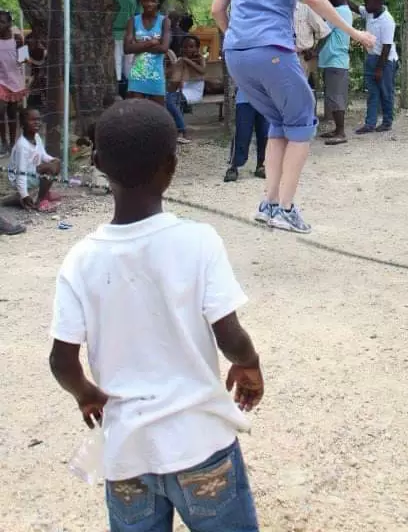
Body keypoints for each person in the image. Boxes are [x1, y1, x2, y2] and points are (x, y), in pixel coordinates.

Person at [49, 100, 263, 532]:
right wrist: (249, 363)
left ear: (97, 163)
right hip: (201, 444)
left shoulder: (80, 260)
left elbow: (61, 361)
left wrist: (85, 393)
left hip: (128, 454)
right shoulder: (199, 241)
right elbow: (229, 334)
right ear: (171, 166)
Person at [211, 0, 375, 234]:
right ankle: (284, 207)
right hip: (272, 50)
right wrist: (354, 32)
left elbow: (217, 10)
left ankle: (269, 203)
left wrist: (237, 38)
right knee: (302, 122)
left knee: (280, 124)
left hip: (237, 55)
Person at [350, 0, 398, 134]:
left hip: (386, 60)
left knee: (386, 92)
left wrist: (379, 69)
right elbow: (355, 8)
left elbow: (387, 47)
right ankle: (370, 123)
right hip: (372, 57)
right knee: (372, 92)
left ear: (377, 4)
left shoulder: (387, 20)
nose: (364, 6)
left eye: (367, 3)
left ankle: (387, 122)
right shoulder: (370, 12)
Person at [318, 0, 353, 145]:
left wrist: (314, 52)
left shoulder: (337, 11)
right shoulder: (344, 11)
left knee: (336, 97)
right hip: (335, 60)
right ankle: (337, 130)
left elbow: (324, 33)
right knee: (334, 96)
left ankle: (341, 132)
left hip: (335, 60)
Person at [124, 0, 171, 105]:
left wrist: (139, 45)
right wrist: (151, 42)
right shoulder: (133, 21)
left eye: (153, 1)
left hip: (156, 75)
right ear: (141, 1)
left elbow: (164, 48)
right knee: (136, 111)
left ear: (158, 2)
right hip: (137, 76)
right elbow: (127, 48)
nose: (149, 4)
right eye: (145, 0)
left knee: (159, 112)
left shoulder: (164, 21)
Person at [7, 107, 60, 213]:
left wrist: (54, 160)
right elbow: (20, 174)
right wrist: (24, 195)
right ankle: (39, 201)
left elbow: (43, 155)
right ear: (23, 123)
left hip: (31, 172)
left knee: (55, 164)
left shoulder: (36, 137)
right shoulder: (22, 146)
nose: (37, 123)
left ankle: (43, 193)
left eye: (38, 120)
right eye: (33, 120)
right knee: (48, 169)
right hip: (20, 178)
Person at [224, 88, 269, 182]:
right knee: (242, 133)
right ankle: (233, 166)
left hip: (266, 100)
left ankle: (262, 165)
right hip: (244, 99)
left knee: (265, 134)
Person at [0, 10, 26, 152]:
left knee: (12, 113)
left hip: (14, 80)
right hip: (1, 80)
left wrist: (21, 46)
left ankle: (12, 142)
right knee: (0, 109)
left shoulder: (16, 39)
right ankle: (3, 142)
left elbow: (24, 59)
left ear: (9, 23)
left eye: (2, 22)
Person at [107, 0, 136, 93]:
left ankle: (118, 90)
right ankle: (130, 90)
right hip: (128, 33)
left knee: (116, 63)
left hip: (113, 33)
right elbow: (135, 13)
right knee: (129, 64)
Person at [294, 0, 331, 89]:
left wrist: (315, 52)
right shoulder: (278, 11)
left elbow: (325, 32)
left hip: (301, 59)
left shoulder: (306, 10)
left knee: (300, 89)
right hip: (281, 58)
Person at [164, 49, 190, 145]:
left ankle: (183, 130)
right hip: (166, 94)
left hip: (174, 94)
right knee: (168, 103)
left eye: (166, 59)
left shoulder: (174, 69)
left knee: (170, 103)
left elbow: (178, 86)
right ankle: (180, 130)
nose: (164, 60)